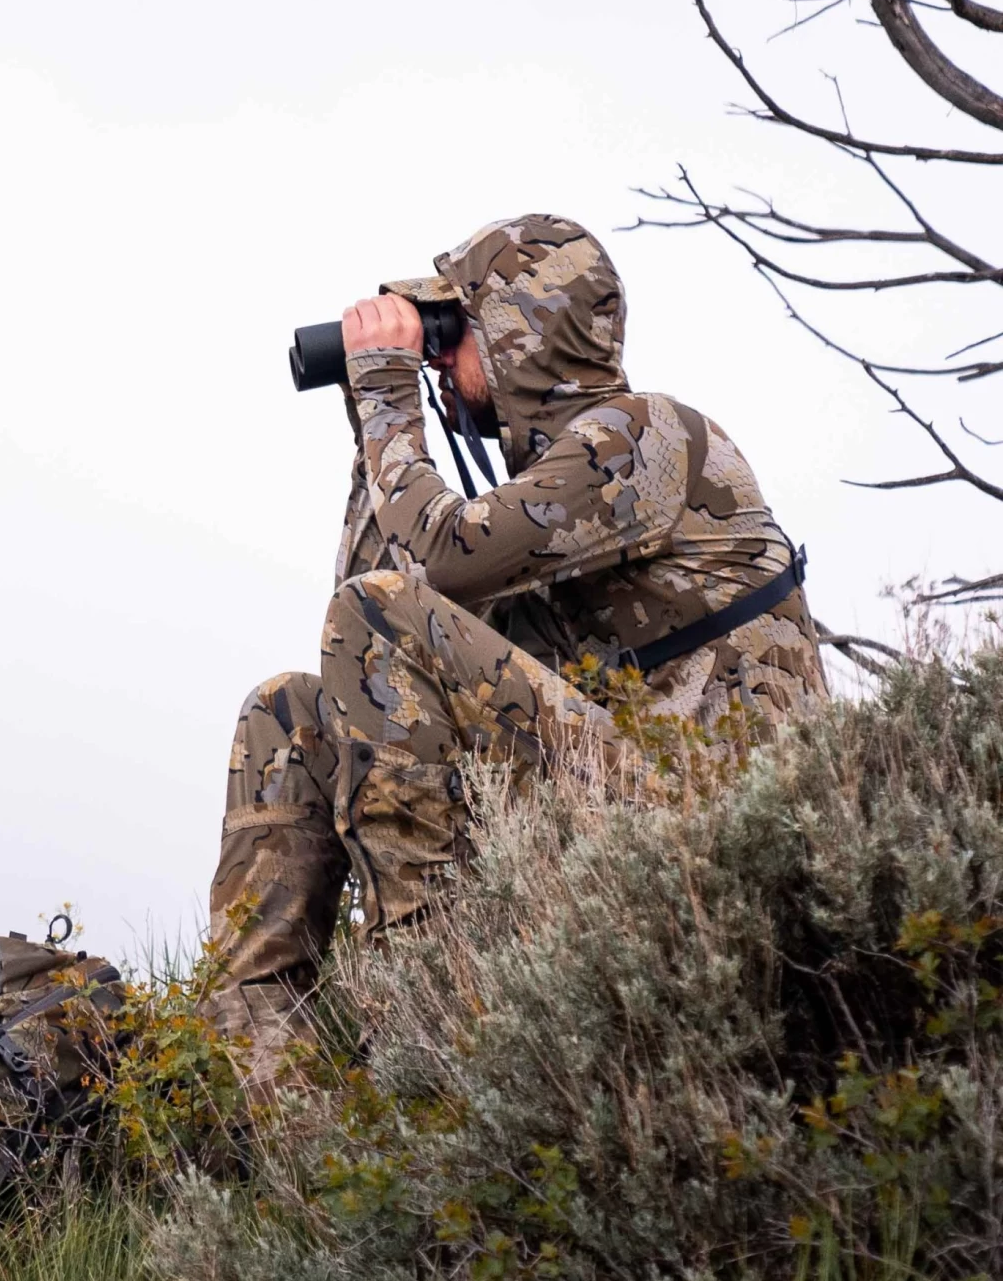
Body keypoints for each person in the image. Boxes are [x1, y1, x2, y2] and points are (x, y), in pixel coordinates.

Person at [203, 214, 828, 1090]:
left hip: (719, 824)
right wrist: (372, 426)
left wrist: (390, 396)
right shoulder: (545, 505)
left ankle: (428, 991)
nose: (439, 362)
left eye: (454, 334)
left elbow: (423, 575)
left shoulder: (647, 436)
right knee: (287, 714)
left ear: (518, 339)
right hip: (619, 796)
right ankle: (268, 1088)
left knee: (382, 613)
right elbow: (363, 651)